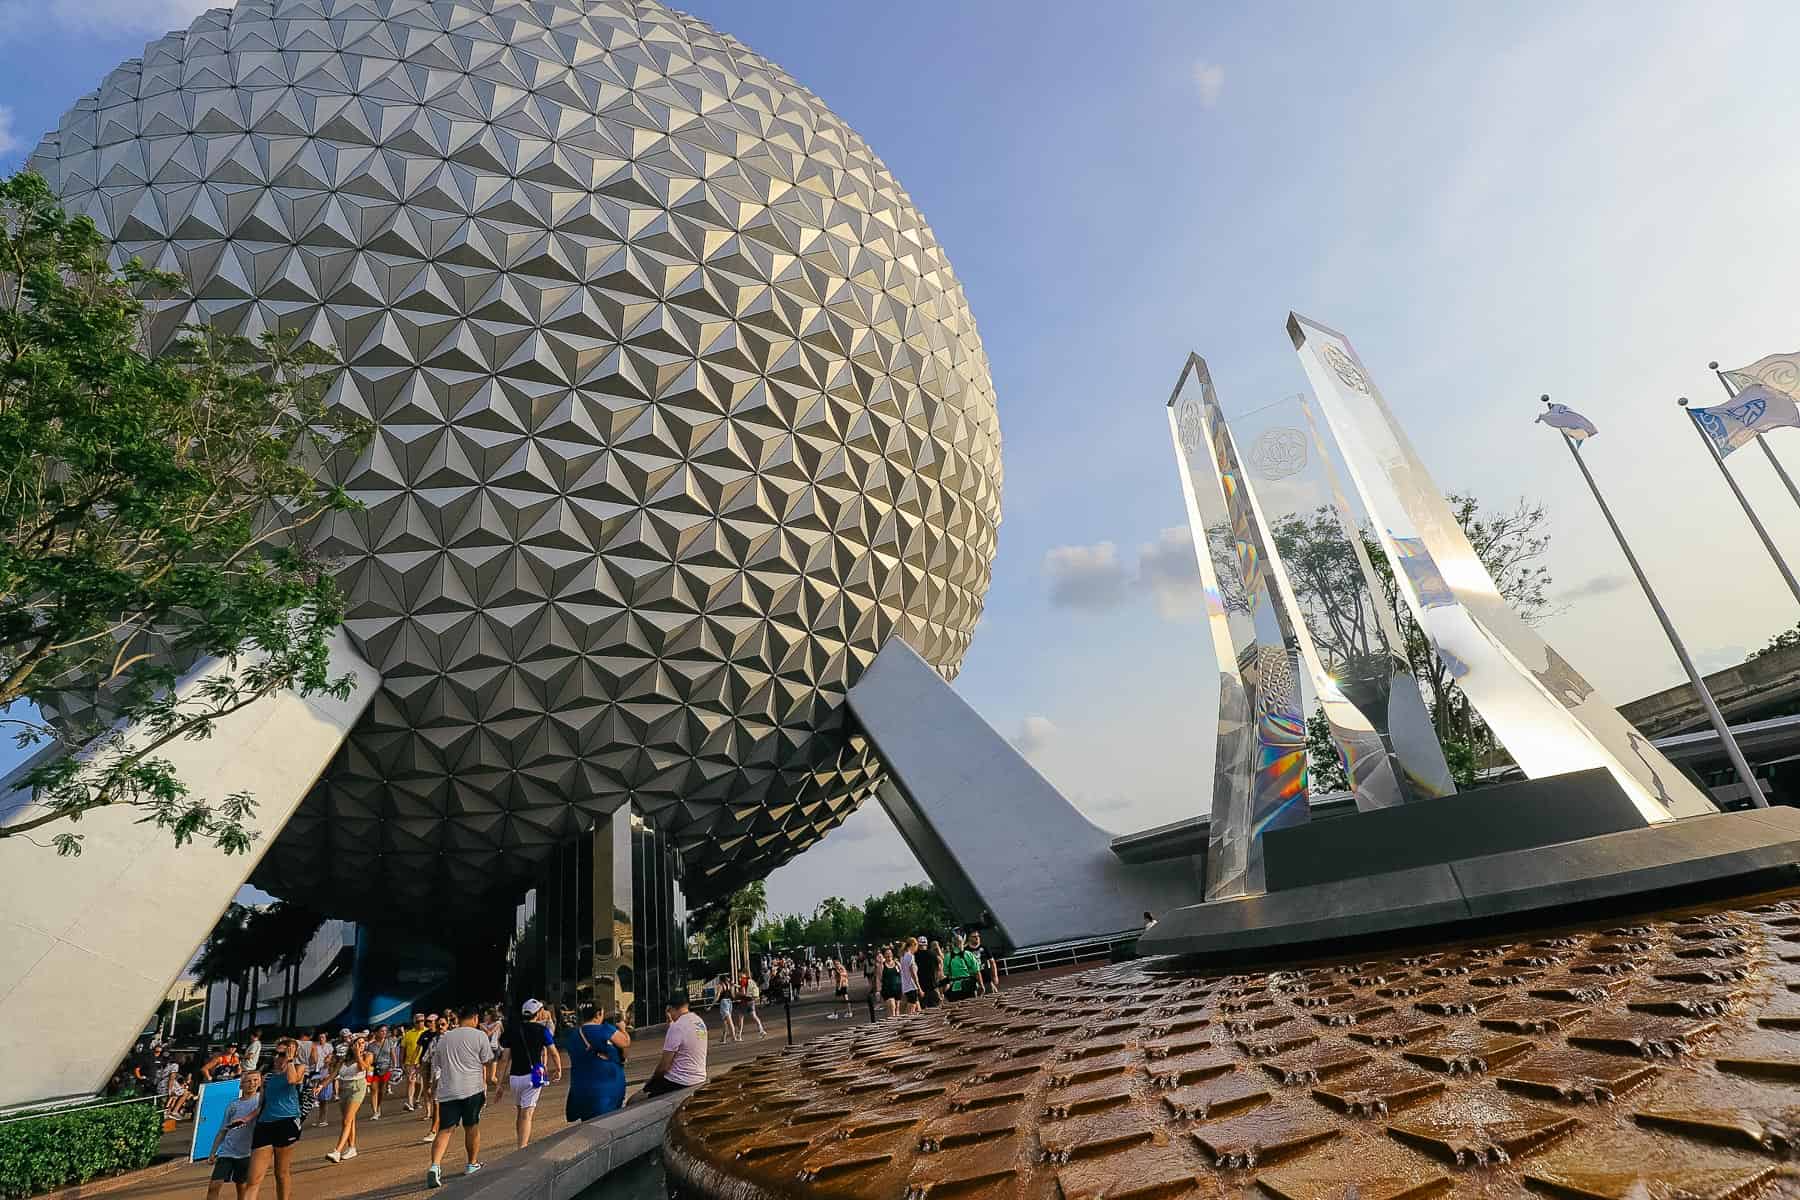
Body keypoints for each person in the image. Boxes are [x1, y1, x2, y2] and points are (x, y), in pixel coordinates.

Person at [425, 1006, 495, 1188]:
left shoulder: (444, 1038)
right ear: (475, 1018)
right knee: (471, 1126)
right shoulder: (479, 1036)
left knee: (445, 1130)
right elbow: (487, 1059)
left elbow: (438, 1064)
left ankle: (435, 1166)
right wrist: (492, 1080)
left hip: (448, 1091)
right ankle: (472, 1164)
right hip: (472, 1089)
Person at [244, 1041, 305, 1200]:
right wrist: (245, 1119)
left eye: (282, 1054)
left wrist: (290, 1060)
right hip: (265, 1123)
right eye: (275, 1053)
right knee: (253, 1179)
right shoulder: (268, 1075)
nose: (277, 1057)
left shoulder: (298, 1068)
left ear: (292, 1054)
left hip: (286, 1122)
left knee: (281, 1172)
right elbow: (261, 1104)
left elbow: (293, 1080)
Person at [503, 999, 563, 1150]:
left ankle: (520, 1142)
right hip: (533, 1075)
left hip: (515, 1077)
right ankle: (522, 1148)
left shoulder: (512, 1030)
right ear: (537, 1014)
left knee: (520, 1111)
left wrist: (498, 1083)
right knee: (527, 1114)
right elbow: (554, 1053)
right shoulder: (542, 1031)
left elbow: (505, 1058)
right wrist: (558, 1069)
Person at [638, 991, 707, 1100]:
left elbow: (663, 1067)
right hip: (699, 1077)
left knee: (634, 1100)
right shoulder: (699, 1021)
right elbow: (686, 1036)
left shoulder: (677, 1027)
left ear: (671, 1008)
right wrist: (671, 1023)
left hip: (679, 1082)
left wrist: (650, 1083)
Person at [205, 1069, 262, 1200]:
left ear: (260, 1082)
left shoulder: (261, 1102)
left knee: (242, 1187)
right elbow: (223, 1130)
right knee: (214, 1186)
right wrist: (213, 1152)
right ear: (241, 1085)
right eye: (248, 1081)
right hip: (227, 1152)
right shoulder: (233, 1105)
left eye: (255, 1080)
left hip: (247, 1153)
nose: (252, 1084)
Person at [565, 1004, 629, 1121]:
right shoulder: (604, 1029)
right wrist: (622, 1029)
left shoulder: (572, 1035)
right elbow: (625, 1043)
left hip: (581, 1089)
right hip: (605, 1090)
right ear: (598, 1014)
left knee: (589, 1125)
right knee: (608, 1123)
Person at [325, 1035, 371, 1162]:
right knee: (349, 1120)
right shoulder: (344, 1058)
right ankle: (351, 1148)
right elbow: (333, 1074)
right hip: (344, 1088)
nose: (361, 1045)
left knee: (347, 1121)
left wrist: (357, 1054)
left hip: (357, 1087)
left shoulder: (368, 1055)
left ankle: (337, 1151)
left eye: (363, 1043)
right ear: (352, 1045)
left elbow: (363, 1067)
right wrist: (320, 1086)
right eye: (358, 1043)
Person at [943, 934, 981, 1002]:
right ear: (963, 942)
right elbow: (977, 972)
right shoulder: (968, 954)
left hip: (955, 988)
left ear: (953, 943)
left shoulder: (947, 957)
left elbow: (946, 974)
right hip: (969, 986)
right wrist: (981, 985)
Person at [367, 1026, 395, 1118]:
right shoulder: (371, 1045)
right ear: (376, 1032)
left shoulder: (389, 1042)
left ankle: (378, 1107)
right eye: (381, 1031)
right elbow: (369, 1058)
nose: (384, 1033)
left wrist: (394, 1067)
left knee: (381, 1090)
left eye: (385, 1031)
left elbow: (393, 1054)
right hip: (374, 1068)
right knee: (374, 1089)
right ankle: (375, 1112)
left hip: (386, 1068)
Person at [402, 1013, 427, 1111]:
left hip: (423, 1062)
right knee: (411, 1081)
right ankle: (410, 1102)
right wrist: (401, 1062)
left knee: (420, 1083)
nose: (420, 1023)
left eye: (422, 1021)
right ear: (414, 1022)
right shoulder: (408, 1034)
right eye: (418, 1021)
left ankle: (416, 1100)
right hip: (410, 1062)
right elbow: (403, 1048)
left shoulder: (428, 1032)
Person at [740, 973, 766, 1038]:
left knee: (741, 1017)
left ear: (743, 973)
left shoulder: (743, 980)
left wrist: (737, 993)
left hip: (745, 1001)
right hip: (751, 1000)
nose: (739, 976)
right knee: (754, 1016)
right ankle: (761, 1030)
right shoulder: (751, 981)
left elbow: (743, 993)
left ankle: (738, 1035)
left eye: (739, 974)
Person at [899, 938, 921, 1013]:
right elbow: (913, 974)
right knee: (911, 1011)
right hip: (912, 986)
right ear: (913, 945)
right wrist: (919, 988)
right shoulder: (910, 956)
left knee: (918, 1009)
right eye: (916, 946)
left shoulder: (903, 956)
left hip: (906, 986)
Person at [918, 939, 942, 1008]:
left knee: (922, 1009)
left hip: (920, 986)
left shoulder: (915, 955)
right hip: (932, 985)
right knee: (934, 1008)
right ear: (926, 944)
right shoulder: (932, 954)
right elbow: (939, 966)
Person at [879, 948, 902, 1017]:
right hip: (887, 989)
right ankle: (891, 1024)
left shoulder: (897, 963)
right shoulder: (882, 966)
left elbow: (902, 974)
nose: (889, 955)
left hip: (897, 988)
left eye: (890, 953)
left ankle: (897, 1024)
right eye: (887, 953)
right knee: (892, 1007)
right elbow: (879, 978)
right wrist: (878, 990)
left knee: (897, 1009)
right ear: (884, 955)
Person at [714, 974, 736, 1043]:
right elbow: (733, 995)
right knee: (725, 1022)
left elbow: (717, 997)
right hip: (730, 1002)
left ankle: (734, 1037)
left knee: (729, 1021)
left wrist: (711, 1005)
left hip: (724, 1003)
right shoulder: (729, 985)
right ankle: (723, 1038)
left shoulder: (720, 986)